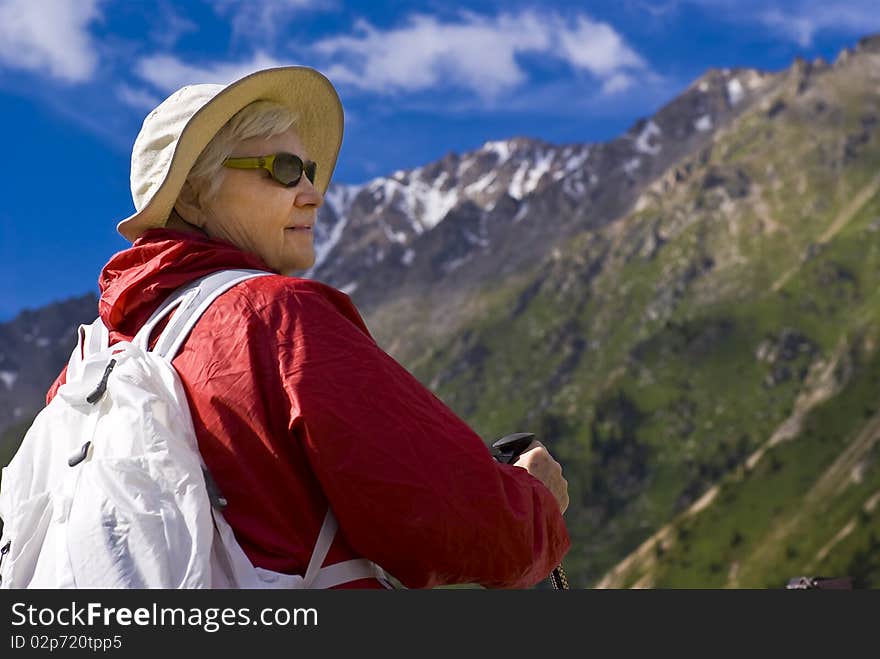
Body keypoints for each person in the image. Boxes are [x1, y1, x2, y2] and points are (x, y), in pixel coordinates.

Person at [46, 66, 570, 589]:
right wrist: (534, 498)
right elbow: (459, 521)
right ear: (190, 196)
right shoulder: (274, 316)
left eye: (311, 171)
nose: (313, 193)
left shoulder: (85, 370)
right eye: (283, 168)